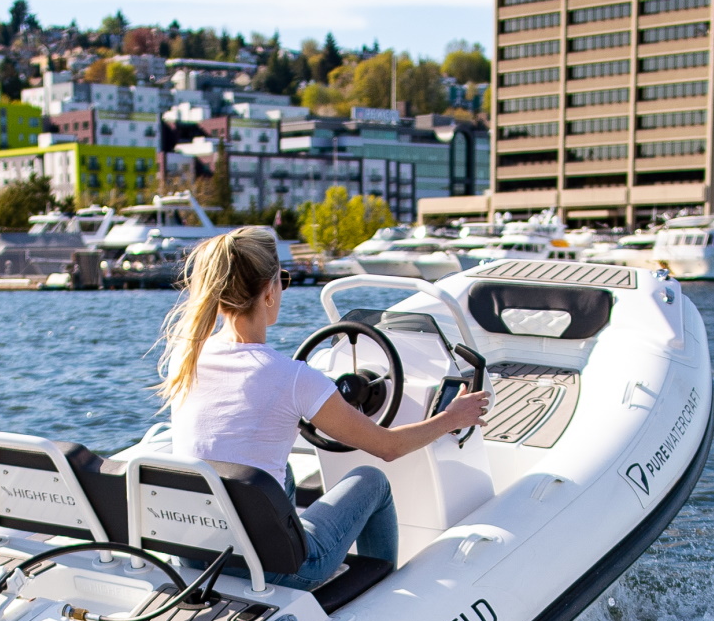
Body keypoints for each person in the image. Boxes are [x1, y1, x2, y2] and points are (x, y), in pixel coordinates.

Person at [158, 227, 488, 590]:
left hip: (196, 550)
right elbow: (387, 447)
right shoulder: (294, 378)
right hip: (270, 566)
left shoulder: (185, 358)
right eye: (282, 280)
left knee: (281, 474)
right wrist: (451, 418)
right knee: (372, 481)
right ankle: (379, 591)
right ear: (269, 292)